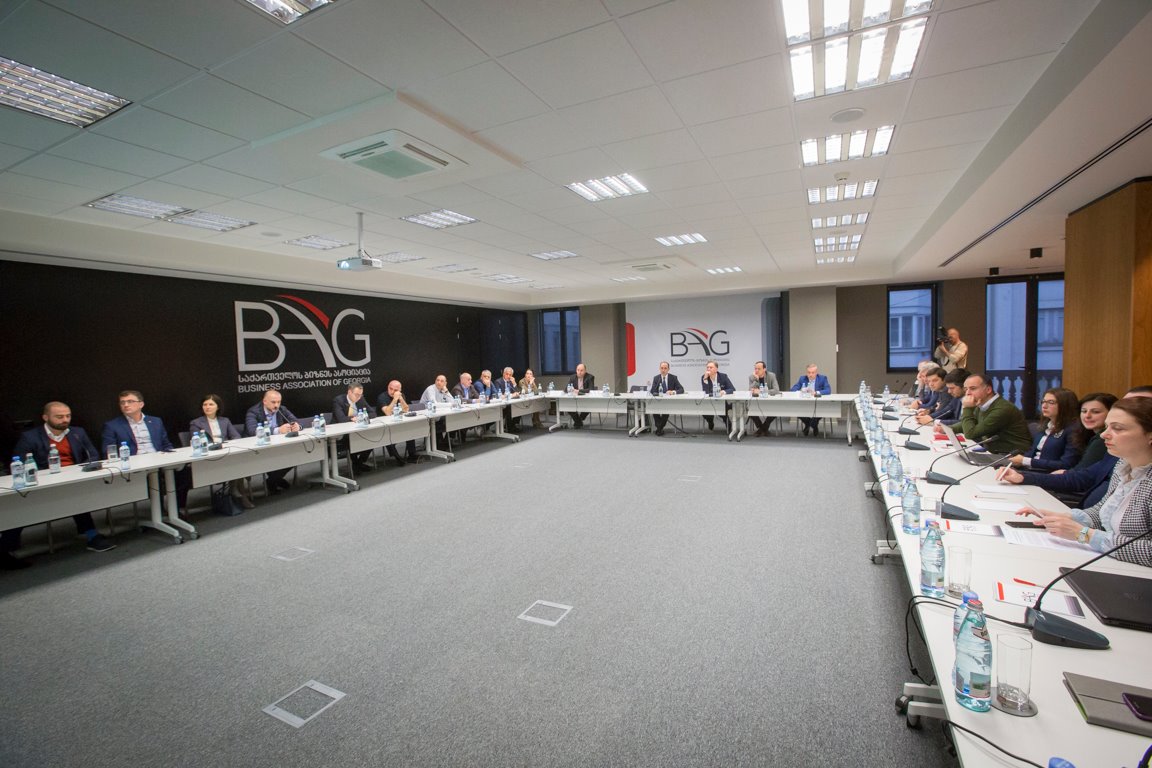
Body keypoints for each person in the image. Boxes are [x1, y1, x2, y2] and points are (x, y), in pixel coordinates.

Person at [1017, 396, 1152, 567]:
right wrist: (1065, 517)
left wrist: (1084, 535)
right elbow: (1102, 511)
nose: (1104, 434)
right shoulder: (1123, 465)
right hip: (1114, 563)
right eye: (1107, 427)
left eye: (1117, 428)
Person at [2, 402, 115, 568]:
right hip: (42, 483)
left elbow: (92, 454)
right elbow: (20, 462)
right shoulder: (31, 437)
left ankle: (91, 535)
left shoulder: (77, 433)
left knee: (76, 495)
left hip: (74, 479)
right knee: (20, 505)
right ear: (45, 417)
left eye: (68, 416)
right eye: (59, 417)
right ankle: (5, 548)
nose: (65, 420)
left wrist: (81, 469)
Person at [998, 391, 1123, 508]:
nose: (1087, 415)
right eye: (1084, 411)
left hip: (1065, 490)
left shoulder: (1099, 441)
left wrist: (1025, 467)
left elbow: (1076, 473)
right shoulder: (1085, 435)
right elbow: (1081, 477)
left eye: (1095, 412)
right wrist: (1023, 476)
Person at [190, 394, 254, 509]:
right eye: (205, 404)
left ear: (217, 407)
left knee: (239, 461)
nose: (207, 407)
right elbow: (197, 442)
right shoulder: (196, 423)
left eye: (211, 404)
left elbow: (236, 436)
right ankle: (239, 494)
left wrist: (226, 444)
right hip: (210, 456)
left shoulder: (225, 421)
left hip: (225, 452)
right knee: (236, 463)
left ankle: (236, 490)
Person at [943, 373, 1033, 455]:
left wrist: (967, 408)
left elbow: (970, 433)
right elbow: (969, 423)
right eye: (966, 389)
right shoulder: (982, 404)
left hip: (1012, 456)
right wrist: (946, 428)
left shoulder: (1002, 409)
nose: (968, 393)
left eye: (973, 388)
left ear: (988, 389)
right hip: (994, 452)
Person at [1008, 387, 1083, 472]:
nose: (1044, 406)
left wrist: (1026, 461)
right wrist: (1018, 460)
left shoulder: (1073, 429)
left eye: (1051, 402)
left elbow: (1066, 464)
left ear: (1065, 405)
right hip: (1029, 470)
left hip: (1048, 475)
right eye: (1043, 402)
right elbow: (1032, 453)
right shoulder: (1045, 426)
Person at [244, 389, 300, 494]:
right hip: (257, 447)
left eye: (279, 402)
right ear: (264, 401)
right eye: (273, 402)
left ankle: (272, 480)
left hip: (277, 444)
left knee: (296, 454)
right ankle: (275, 480)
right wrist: (277, 430)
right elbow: (253, 431)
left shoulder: (282, 409)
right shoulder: (253, 411)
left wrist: (297, 426)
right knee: (273, 458)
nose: (276, 405)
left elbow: (295, 420)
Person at [331, 384, 376, 473]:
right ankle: (356, 464)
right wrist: (355, 418)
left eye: (361, 395)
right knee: (351, 439)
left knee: (373, 438)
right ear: (349, 392)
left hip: (357, 429)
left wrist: (360, 417)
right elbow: (341, 419)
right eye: (357, 395)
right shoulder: (338, 400)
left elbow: (373, 413)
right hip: (340, 432)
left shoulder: (361, 399)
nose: (359, 397)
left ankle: (358, 463)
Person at [380, 380, 416, 465]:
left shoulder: (401, 395)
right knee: (388, 437)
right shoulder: (382, 397)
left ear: (400, 390)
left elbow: (406, 410)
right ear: (388, 387)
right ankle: (398, 458)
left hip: (397, 422)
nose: (392, 392)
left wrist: (401, 398)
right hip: (384, 425)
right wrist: (395, 399)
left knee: (410, 431)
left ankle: (412, 455)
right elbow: (388, 413)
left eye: (395, 390)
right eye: (390, 389)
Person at [790, 363, 831, 436]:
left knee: (820, 411)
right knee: (796, 410)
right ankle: (813, 425)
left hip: (818, 404)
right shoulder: (802, 378)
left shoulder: (822, 378)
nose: (810, 375)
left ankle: (808, 425)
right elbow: (793, 389)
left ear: (816, 373)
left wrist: (816, 392)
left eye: (813, 373)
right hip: (805, 404)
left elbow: (828, 390)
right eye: (809, 372)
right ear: (806, 373)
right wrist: (801, 391)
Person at [649, 361, 684, 436]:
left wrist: (673, 392)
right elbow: (652, 391)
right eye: (661, 368)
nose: (663, 370)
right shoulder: (656, 378)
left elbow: (681, 389)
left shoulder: (673, 378)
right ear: (659, 369)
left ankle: (659, 429)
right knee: (654, 409)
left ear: (668, 369)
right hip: (658, 401)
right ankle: (660, 428)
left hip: (669, 402)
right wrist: (657, 393)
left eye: (665, 368)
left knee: (666, 410)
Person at [747, 361, 781, 437]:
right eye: (755, 368)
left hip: (770, 401)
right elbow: (750, 390)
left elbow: (776, 390)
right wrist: (756, 380)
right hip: (757, 402)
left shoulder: (771, 376)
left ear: (764, 369)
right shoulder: (751, 377)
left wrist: (761, 392)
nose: (756, 370)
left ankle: (763, 428)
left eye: (759, 369)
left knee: (775, 409)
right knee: (749, 409)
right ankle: (762, 428)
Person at [700, 360, 735, 432]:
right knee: (704, 412)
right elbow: (706, 392)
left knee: (722, 411)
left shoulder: (723, 376)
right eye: (707, 367)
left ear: (716, 369)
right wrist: (705, 379)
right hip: (709, 402)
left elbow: (732, 389)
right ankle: (710, 422)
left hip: (722, 402)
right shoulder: (704, 377)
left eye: (711, 367)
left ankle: (728, 424)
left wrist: (723, 392)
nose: (708, 369)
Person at [566, 363, 595, 429]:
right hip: (575, 398)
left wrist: (578, 391)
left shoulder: (590, 377)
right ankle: (578, 421)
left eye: (581, 370)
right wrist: (571, 390)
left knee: (590, 406)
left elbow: (591, 389)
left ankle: (579, 420)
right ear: (576, 370)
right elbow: (566, 389)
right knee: (567, 405)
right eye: (578, 370)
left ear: (585, 371)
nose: (579, 372)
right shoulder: (572, 377)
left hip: (586, 399)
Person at [493, 367, 521, 432]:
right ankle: (509, 427)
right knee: (509, 408)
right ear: (503, 374)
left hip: (510, 402)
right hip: (501, 405)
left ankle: (513, 425)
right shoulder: (498, 382)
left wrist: (514, 383)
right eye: (507, 374)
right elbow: (499, 396)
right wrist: (512, 395)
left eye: (510, 375)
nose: (508, 376)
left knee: (520, 406)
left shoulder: (511, 382)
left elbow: (518, 393)